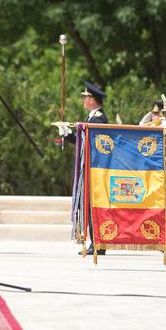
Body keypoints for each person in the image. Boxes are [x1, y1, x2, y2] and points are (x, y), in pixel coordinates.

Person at [59, 81, 108, 255]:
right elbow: (84, 141)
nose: (84, 100)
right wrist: (69, 134)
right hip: (89, 167)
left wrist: (74, 133)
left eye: (86, 97)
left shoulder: (99, 119)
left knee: (93, 205)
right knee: (88, 205)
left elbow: (94, 144)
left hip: (95, 169)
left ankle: (98, 243)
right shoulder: (93, 117)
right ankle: (95, 242)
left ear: (93, 100)